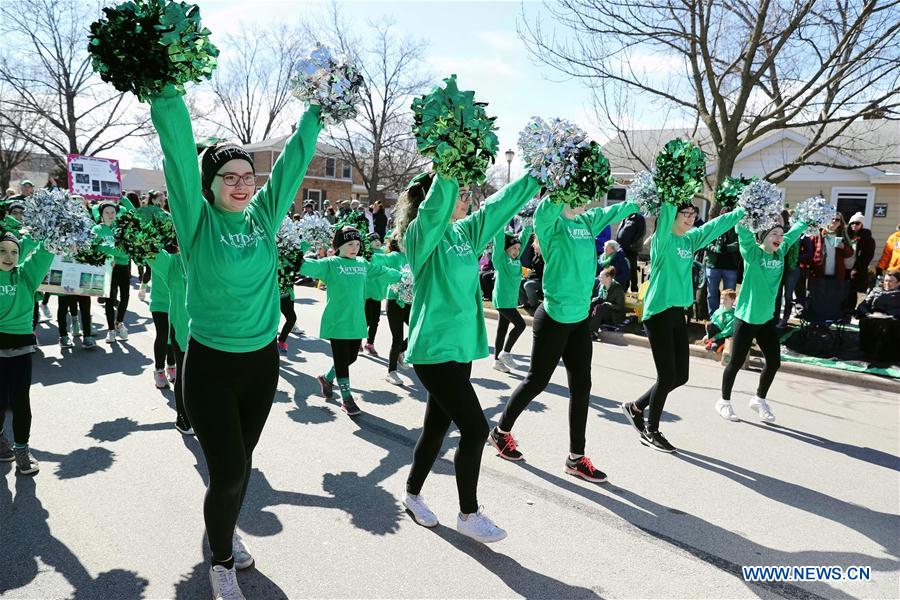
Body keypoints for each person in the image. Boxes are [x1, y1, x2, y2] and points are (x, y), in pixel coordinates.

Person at [150, 80, 323, 599]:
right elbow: (179, 156)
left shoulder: (265, 218)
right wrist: (165, 92)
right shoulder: (197, 220)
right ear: (211, 183)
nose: (243, 184)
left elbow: (292, 162)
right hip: (209, 367)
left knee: (239, 468)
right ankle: (221, 560)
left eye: (249, 176)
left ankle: (220, 528)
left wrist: (317, 110)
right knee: (227, 471)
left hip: (261, 365)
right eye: (231, 177)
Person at [395, 170, 539, 543]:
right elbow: (433, 210)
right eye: (457, 194)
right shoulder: (420, 235)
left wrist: (535, 178)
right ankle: (469, 513)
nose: (466, 200)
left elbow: (497, 206)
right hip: (433, 350)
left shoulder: (464, 233)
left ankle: (411, 494)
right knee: (476, 430)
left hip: (460, 349)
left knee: (436, 428)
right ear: (435, 199)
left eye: (464, 193)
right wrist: (447, 167)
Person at [492, 194, 638, 481]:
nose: (588, 197)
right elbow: (546, 206)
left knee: (582, 387)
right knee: (537, 381)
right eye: (582, 190)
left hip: (580, 319)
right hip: (554, 318)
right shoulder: (551, 222)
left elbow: (615, 210)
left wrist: (643, 200)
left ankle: (576, 458)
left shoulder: (587, 220)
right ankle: (500, 432)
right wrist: (562, 183)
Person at [620, 201, 745, 453]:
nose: (689, 218)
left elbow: (716, 225)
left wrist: (743, 210)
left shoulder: (690, 240)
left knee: (681, 376)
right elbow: (665, 212)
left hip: (678, 312)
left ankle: (635, 407)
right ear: (672, 216)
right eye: (684, 214)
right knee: (666, 376)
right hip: (659, 312)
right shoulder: (662, 239)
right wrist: (671, 192)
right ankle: (651, 431)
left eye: (692, 213)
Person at [716, 218, 807, 423]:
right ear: (762, 237)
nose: (779, 238)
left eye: (780, 234)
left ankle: (758, 399)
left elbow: (792, 235)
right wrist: (745, 215)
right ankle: (724, 401)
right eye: (774, 234)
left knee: (774, 362)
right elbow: (743, 233)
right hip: (746, 318)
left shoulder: (781, 252)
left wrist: (805, 221)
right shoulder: (753, 253)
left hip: (765, 320)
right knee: (736, 362)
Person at [302, 226, 400, 415]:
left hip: (356, 321)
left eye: (357, 244)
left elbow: (380, 271)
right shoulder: (330, 263)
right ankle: (347, 400)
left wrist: (401, 276)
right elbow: (305, 265)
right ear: (339, 246)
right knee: (341, 359)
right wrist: (299, 249)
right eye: (349, 244)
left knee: (351, 357)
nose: (354, 248)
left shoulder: (362, 263)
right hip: (337, 320)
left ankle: (327, 378)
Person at [0, 232, 54, 475]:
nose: (8, 256)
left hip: (21, 349)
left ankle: (22, 450)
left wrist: (54, 230)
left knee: (21, 401)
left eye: (14, 252)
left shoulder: (26, 275)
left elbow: (46, 250)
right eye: (2, 250)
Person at [491, 223, 532, 374]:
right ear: (506, 248)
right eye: (513, 248)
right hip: (502, 301)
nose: (516, 251)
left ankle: (496, 361)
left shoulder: (517, 259)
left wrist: (527, 227)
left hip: (509, 301)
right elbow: (499, 239)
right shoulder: (501, 259)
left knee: (502, 329)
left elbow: (523, 238)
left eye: (518, 249)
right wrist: (501, 222)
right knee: (520, 325)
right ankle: (505, 353)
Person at [92, 201, 132, 343]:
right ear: (101, 214)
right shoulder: (96, 230)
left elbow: (126, 250)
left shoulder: (121, 229)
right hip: (108, 268)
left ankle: (119, 323)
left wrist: (109, 250)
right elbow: (94, 248)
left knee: (125, 296)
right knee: (109, 299)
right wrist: (113, 253)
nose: (110, 215)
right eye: (107, 213)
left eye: (113, 213)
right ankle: (110, 330)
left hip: (123, 266)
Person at [145, 248, 178, 387]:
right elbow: (147, 268)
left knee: (173, 335)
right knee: (163, 334)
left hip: (177, 301)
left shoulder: (180, 253)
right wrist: (142, 286)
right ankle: (159, 370)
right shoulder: (154, 251)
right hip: (159, 302)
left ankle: (171, 365)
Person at [382, 235, 411, 386]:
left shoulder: (412, 255)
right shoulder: (393, 256)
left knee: (418, 330)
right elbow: (381, 261)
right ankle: (391, 371)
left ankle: (401, 351)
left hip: (409, 302)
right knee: (397, 338)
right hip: (394, 301)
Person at [703, 204, 741, 315]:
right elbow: (705, 241)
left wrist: (727, 248)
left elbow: (739, 244)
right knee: (711, 294)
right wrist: (715, 248)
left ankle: (726, 316)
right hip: (713, 265)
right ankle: (713, 317)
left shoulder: (737, 228)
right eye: (723, 216)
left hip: (731, 267)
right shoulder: (713, 226)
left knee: (729, 295)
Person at [856, 269, 900, 364]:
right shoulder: (876, 290)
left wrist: (892, 315)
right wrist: (867, 314)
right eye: (886, 280)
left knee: (889, 325)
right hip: (874, 316)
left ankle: (883, 355)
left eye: (891, 281)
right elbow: (863, 305)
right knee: (865, 321)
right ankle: (868, 352)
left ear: (898, 283)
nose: (887, 283)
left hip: (892, 318)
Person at [774, 210, 802, 327]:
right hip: (780, 268)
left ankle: (784, 318)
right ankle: (777, 318)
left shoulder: (792, 233)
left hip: (791, 268)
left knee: (787, 295)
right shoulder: (775, 233)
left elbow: (804, 251)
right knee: (779, 295)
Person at [362, 232, 386, 355]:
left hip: (378, 292)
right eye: (373, 239)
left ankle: (370, 343)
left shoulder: (384, 253)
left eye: (377, 238)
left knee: (375, 320)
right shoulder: (366, 255)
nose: (377, 241)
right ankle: (357, 342)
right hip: (367, 293)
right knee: (366, 320)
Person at [589, 265, 626, 338]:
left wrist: (607, 304)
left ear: (608, 278)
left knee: (600, 308)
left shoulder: (617, 288)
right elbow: (601, 299)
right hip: (603, 312)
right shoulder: (601, 286)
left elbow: (620, 307)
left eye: (601, 277)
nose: (599, 279)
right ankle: (585, 327)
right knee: (591, 304)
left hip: (613, 314)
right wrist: (596, 299)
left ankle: (593, 332)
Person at [847, 212, 875, 308]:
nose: (854, 225)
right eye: (852, 223)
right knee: (842, 290)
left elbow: (868, 256)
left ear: (862, 224)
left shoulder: (867, 239)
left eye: (857, 223)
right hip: (844, 266)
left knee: (852, 291)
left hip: (856, 268)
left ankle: (849, 311)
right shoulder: (847, 236)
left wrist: (857, 268)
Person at [616, 211, 646, 292]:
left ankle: (634, 289)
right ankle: (624, 288)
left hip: (631, 249)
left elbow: (641, 232)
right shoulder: (626, 217)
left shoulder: (638, 218)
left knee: (632, 268)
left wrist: (632, 243)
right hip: (622, 247)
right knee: (624, 267)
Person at [521, 238, 544, 310]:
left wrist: (531, 275)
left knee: (528, 285)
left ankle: (535, 305)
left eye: (535, 243)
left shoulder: (544, 257)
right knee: (520, 281)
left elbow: (541, 273)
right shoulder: (536, 255)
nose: (533, 245)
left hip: (543, 281)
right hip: (535, 278)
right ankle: (525, 303)